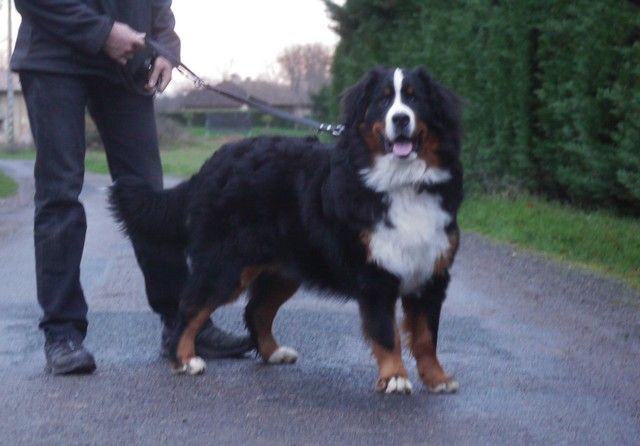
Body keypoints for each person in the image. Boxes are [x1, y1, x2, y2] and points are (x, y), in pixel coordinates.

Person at [11, 0, 253, 375]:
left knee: (151, 199)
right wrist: (102, 33)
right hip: (54, 58)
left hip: (125, 66)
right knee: (60, 196)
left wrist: (166, 47)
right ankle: (62, 334)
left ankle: (184, 324)